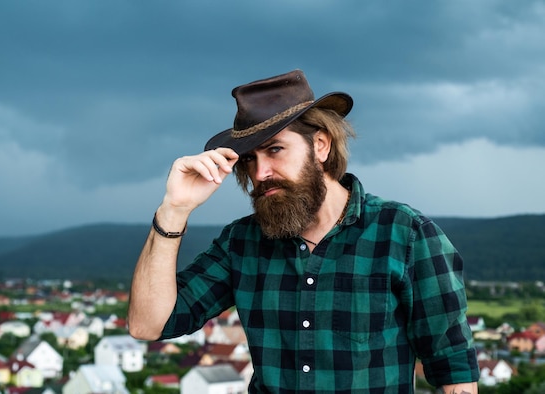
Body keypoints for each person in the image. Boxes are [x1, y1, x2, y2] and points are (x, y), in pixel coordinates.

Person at [128, 69, 480, 393]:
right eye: (250, 159)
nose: (261, 172)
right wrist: (174, 209)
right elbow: (148, 325)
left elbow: (454, 371)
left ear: (321, 146)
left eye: (275, 150)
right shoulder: (241, 243)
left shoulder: (405, 234)